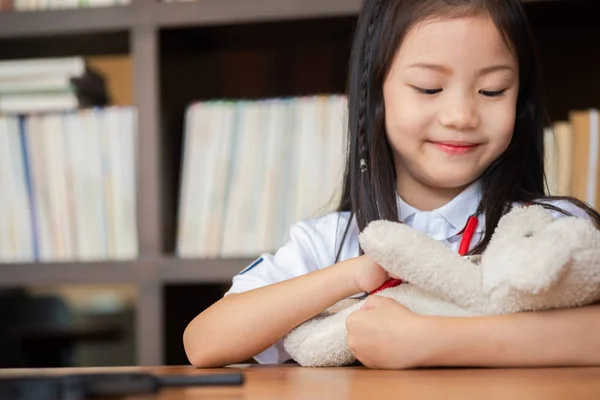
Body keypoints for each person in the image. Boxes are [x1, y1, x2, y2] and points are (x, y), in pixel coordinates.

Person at [183, 0, 600, 369]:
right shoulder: (330, 243)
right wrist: (359, 274)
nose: (461, 115)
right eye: (429, 88)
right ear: (373, 98)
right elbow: (203, 343)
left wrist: (429, 342)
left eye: (492, 90)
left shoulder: (547, 228)